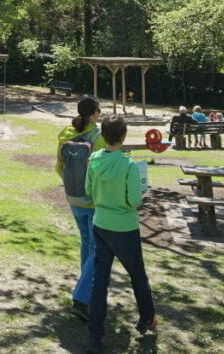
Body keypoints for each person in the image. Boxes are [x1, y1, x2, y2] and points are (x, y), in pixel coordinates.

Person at [85, 114, 157, 351]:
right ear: (123, 136)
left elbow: (88, 190)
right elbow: (134, 200)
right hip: (124, 228)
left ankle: (95, 334)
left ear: (103, 135)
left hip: (101, 224)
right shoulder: (128, 165)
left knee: (100, 281)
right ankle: (148, 317)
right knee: (137, 275)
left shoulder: (94, 158)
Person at [56, 96, 106, 321]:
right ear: (95, 113)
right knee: (98, 250)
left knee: (86, 243)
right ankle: (82, 297)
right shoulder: (98, 137)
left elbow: (59, 166)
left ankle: (85, 283)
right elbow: (103, 172)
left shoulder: (65, 134)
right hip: (93, 201)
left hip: (73, 197)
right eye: (99, 111)